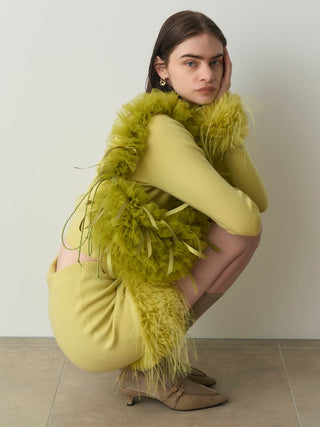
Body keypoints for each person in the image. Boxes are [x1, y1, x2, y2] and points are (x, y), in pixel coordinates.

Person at [47, 10, 268, 411]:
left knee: (236, 227)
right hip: (95, 324)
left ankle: (152, 357)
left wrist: (224, 115)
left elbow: (259, 200)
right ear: (162, 69)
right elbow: (246, 219)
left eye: (216, 62)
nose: (208, 75)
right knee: (240, 234)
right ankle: (146, 367)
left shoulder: (179, 122)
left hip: (96, 302)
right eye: (191, 62)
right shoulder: (160, 130)